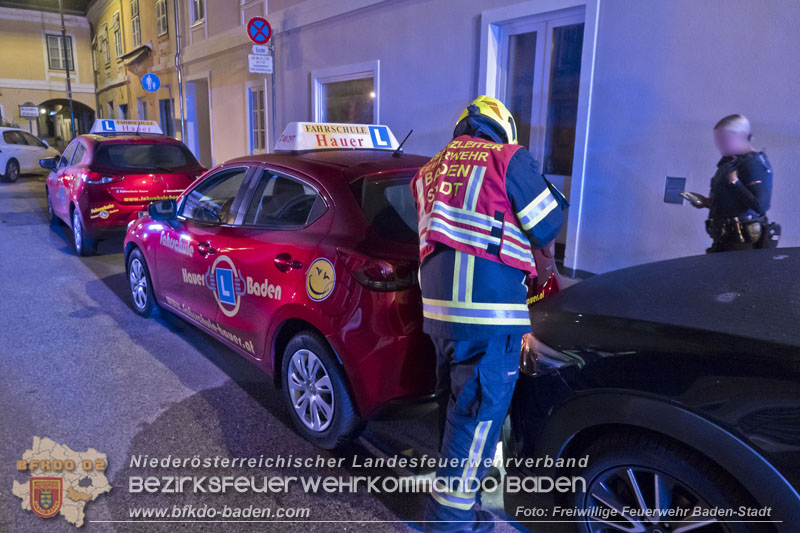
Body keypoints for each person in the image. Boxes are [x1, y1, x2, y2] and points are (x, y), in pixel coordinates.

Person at [411, 96, 567, 531]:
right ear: (504, 128)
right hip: (489, 314)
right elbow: (546, 227)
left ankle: (463, 508)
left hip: (440, 315)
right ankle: (449, 523)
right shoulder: (507, 159)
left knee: (456, 412)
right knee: (477, 423)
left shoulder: (429, 169)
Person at [687, 114, 777, 252]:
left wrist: (735, 184)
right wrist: (706, 202)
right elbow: (732, 202)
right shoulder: (730, 163)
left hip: (742, 245)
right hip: (725, 240)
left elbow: (761, 205)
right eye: (718, 139)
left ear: (741, 136)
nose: (718, 144)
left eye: (723, 139)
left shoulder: (753, 164)